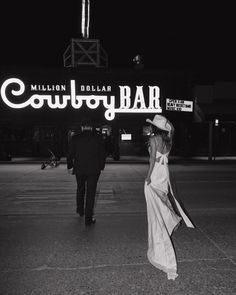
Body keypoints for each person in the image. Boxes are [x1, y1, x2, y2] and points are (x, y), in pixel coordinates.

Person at [144, 114, 195, 280]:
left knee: (154, 205)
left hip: (156, 173)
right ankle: (172, 218)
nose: (150, 128)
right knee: (163, 200)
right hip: (164, 174)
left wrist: (148, 176)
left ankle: (171, 219)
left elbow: (152, 160)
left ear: (155, 128)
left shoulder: (154, 140)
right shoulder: (168, 139)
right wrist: (167, 125)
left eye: (152, 125)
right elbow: (172, 129)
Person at [67, 120, 106, 226]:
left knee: (80, 188)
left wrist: (70, 166)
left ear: (83, 127)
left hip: (79, 168)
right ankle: (88, 219)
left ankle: (80, 210)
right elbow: (102, 154)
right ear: (92, 127)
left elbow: (70, 154)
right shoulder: (98, 138)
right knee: (91, 192)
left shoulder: (75, 138)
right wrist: (101, 167)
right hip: (94, 169)